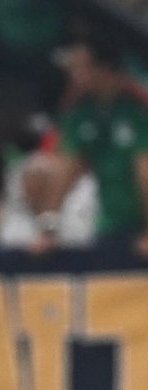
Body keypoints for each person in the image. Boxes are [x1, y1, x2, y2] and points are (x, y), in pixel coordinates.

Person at [41, 36, 148, 256]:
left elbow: (144, 171)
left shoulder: (139, 106)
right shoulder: (80, 111)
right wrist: (47, 230)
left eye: (79, 67)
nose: (73, 74)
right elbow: (65, 171)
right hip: (110, 224)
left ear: (103, 69)